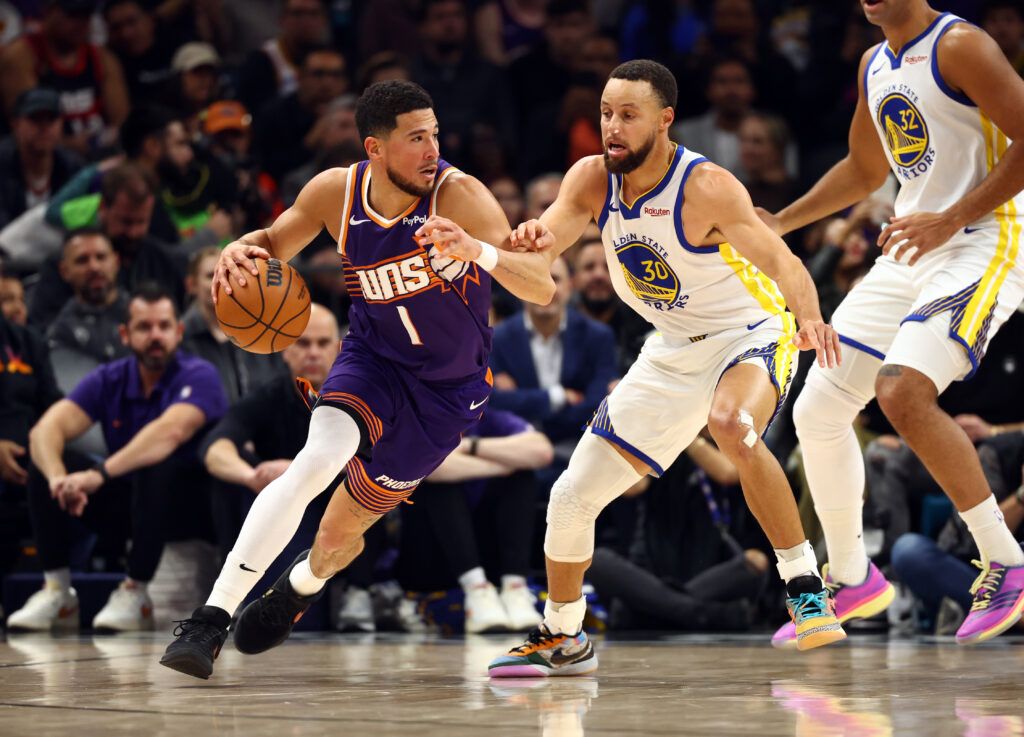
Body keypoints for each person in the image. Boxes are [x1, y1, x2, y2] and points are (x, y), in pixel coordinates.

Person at [159, 79, 555, 680]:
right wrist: (239, 249)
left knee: (341, 532)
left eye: (435, 135)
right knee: (314, 462)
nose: (432, 149)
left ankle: (301, 585)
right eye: (416, 138)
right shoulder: (334, 193)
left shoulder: (461, 196)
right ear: (375, 147)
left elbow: (541, 285)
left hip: (446, 393)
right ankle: (210, 620)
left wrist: (479, 251)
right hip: (370, 358)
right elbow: (272, 242)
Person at [486, 59, 844, 678]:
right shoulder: (592, 179)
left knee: (732, 425)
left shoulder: (706, 186)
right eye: (605, 113)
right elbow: (543, 265)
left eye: (628, 115)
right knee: (571, 497)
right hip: (673, 346)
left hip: (749, 333)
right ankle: (564, 636)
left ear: (665, 120)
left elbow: (783, 262)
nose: (612, 127)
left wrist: (810, 315)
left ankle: (805, 586)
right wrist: (505, 245)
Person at [761, 0, 1024, 647]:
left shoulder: (961, 46)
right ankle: (853, 574)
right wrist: (780, 223)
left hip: (986, 237)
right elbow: (865, 170)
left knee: (902, 389)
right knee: (818, 406)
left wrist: (952, 215)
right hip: (914, 243)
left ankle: (1007, 563)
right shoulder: (874, 63)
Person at [7, 283, 227, 632]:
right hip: (131, 504)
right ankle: (57, 592)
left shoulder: (199, 375)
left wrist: (96, 475)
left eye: (164, 326)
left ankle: (135, 591)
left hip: (192, 509)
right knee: (44, 457)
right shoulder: (111, 377)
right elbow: (46, 430)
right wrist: (58, 480)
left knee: (158, 462)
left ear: (179, 331)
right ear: (125, 334)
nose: (155, 336)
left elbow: (168, 433)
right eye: (144, 327)